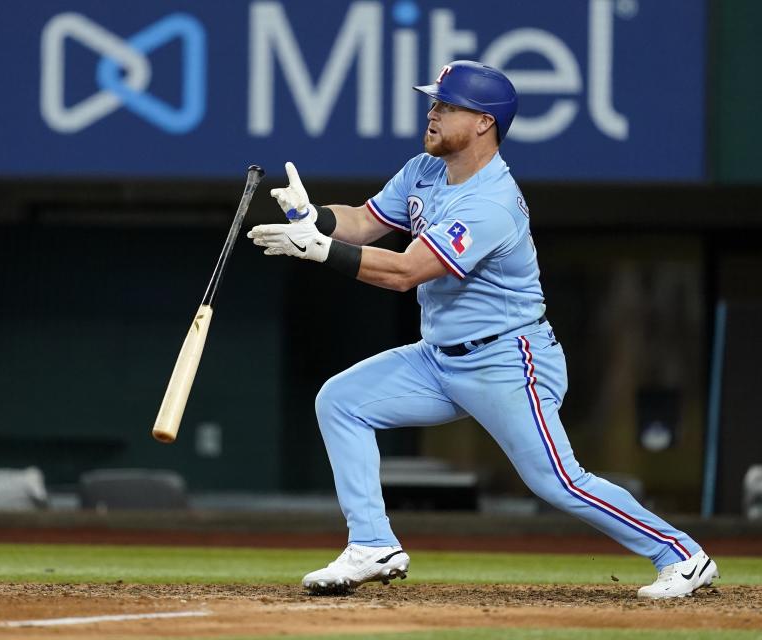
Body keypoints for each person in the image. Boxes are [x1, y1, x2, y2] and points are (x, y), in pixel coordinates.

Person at [247, 60, 718, 599]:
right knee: (341, 400)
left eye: (447, 106)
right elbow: (364, 220)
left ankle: (682, 554)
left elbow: (405, 273)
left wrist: (322, 252)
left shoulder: (490, 202)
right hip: (439, 358)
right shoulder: (425, 169)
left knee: (556, 482)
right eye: (434, 102)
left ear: (483, 123)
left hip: (507, 358)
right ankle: (371, 543)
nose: (432, 113)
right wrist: (316, 217)